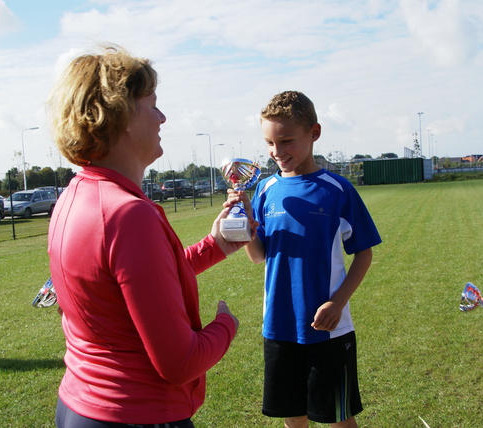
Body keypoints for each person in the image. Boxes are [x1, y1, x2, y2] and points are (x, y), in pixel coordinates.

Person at [46, 45, 254, 428]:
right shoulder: (128, 213)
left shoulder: (76, 195)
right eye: (153, 104)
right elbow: (180, 362)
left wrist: (216, 247)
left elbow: (133, 285)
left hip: (82, 405)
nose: (162, 117)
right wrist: (226, 324)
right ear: (121, 114)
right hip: (136, 415)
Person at [243, 91, 382, 428]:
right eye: (270, 143)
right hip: (279, 324)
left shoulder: (337, 189)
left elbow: (364, 252)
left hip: (329, 327)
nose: (277, 152)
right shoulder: (264, 189)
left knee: (338, 417)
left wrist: (337, 303)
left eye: (287, 141)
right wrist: (245, 226)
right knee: (293, 417)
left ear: (314, 133)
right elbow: (259, 256)